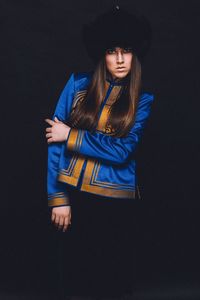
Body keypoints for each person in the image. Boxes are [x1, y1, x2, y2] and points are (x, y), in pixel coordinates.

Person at [45, 5, 154, 300]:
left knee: (113, 285)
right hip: (77, 202)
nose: (119, 59)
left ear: (136, 54)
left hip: (117, 206)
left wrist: (71, 135)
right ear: (101, 53)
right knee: (75, 284)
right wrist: (58, 200)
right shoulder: (77, 85)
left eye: (127, 50)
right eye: (112, 50)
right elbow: (54, 147)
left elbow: (122, 151)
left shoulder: (142, 101)